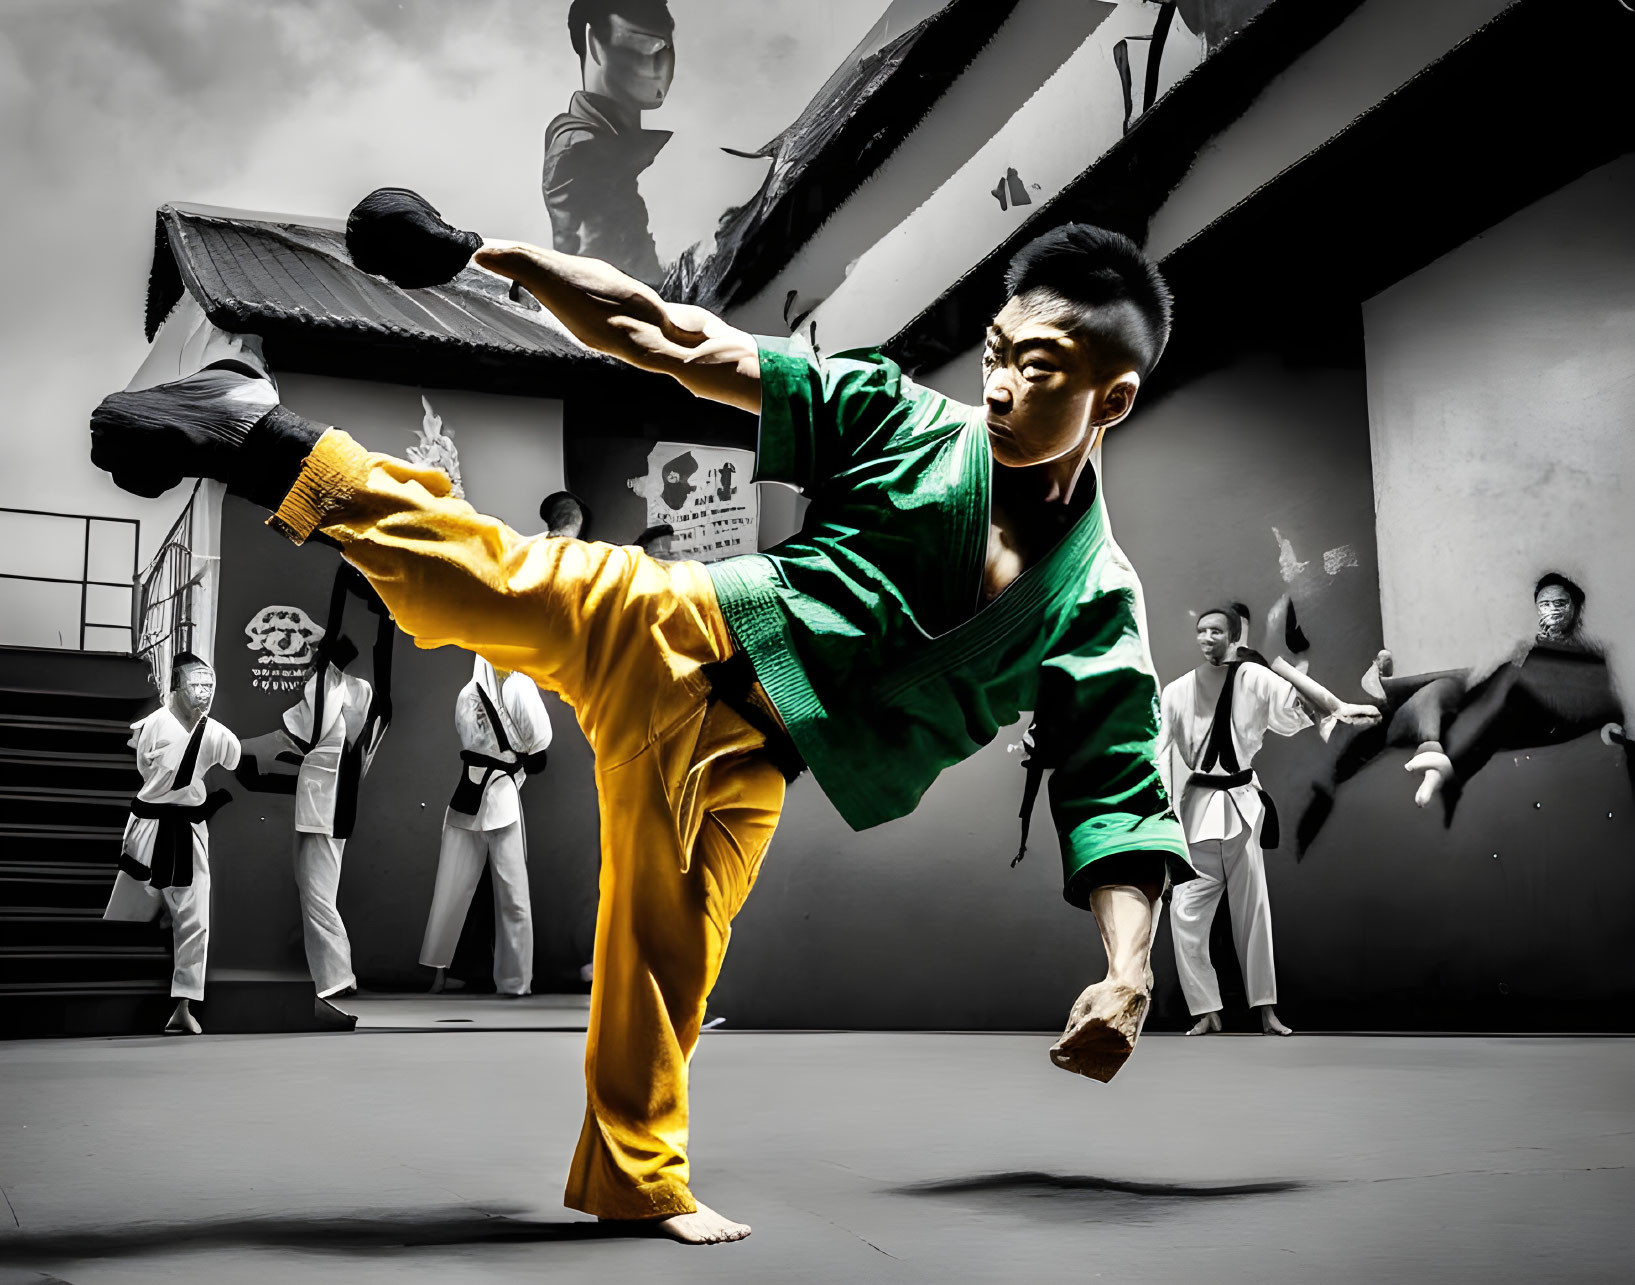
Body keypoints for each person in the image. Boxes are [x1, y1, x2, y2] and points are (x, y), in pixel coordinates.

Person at [92, 193, 1191, 1245]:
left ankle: (633, 1179)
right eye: (996, 351)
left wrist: (1130, 969)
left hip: (757, 761)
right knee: (467, 580)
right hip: (683, 629)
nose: (998, 386)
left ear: (1115, 396)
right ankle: (257, 432)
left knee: (668, 961)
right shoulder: (900, 417)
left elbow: (1118, 797)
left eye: (1037, 369)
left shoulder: (1098, 606)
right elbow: (670, 337)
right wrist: (488, 257)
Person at [1157, 607, 1378, 1037]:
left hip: (1240, 808)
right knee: (1184, 915)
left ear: (1234, 637)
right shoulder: (1176, 691)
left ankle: (1266, 1011)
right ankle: (1205, 1009)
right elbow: (1162, 755)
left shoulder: (1255, 679)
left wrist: (1333, 708)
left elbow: (1295, 704)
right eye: (1201, 631)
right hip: (1195, 810)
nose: (1206, 638)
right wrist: (1163, 824)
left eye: (1216, 631)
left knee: (1254, 914)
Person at [1300, 573, 1626, 846]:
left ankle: (1404, 713)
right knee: (1432, 697)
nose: (1552, 611)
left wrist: (1608, 725)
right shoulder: (1529, 651)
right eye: (1545, 604)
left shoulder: (1589, 657)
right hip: (1488, 709)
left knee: (1470, 693)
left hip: (1523, 720)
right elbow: (1486, 690)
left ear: (1574, 607)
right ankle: (1385, 712)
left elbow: (1594, 702)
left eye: (1560, 604)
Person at [103, 652, 239, 1035]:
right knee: (133, 904)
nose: (204, 694)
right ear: (177, 686)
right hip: (148, 825)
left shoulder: (215, 733)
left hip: (190, 830)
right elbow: (148, 772)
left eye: (209, 686)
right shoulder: (151, 726)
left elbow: (231, 761)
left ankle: (183, 1005)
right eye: (197, 685)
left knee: (196, 916)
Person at [278, 605, 393, 1020]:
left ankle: (335, 977)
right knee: (315, 888)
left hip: (322, 802)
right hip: (332, 800)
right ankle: (333, 975)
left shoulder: (327, 686)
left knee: (316, 893)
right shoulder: (354, 690)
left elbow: (305, 732)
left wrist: (325, 673)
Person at [421, 656, 553, 996]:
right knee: (512, 894)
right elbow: (539, 752)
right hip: (501, 796)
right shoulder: (518, 685)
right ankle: (515, 981)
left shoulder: (467, 693)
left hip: (467, 792)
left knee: (451, 890)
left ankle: (441, 975)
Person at [543, 0, 675, 285]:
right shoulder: (582, 149)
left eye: (667, 47)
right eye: (642, 45)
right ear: (594, 44)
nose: (661, 65)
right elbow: (594, 276)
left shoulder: (621, 148)